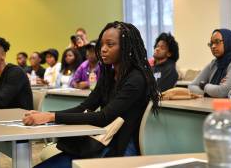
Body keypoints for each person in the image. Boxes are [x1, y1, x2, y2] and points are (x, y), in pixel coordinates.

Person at [22, 21, 159, 168]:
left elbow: (103, 117)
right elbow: (85, 107)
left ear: (127, 47)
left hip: (120, 149)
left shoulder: (136, 79)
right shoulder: (109, 75)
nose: (103, 50)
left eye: (110, 44)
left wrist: (51, 117)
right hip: (102, 142)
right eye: (102, 45)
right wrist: (47, 115)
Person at [188, 29, 231, 97]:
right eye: (211, 43)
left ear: (229, 42)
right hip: (212, 106)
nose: (213, 46)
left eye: (217, 42)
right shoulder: (214, 64)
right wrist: (208, 93)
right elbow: (191, 86)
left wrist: (205, 86)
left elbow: (223, 92)